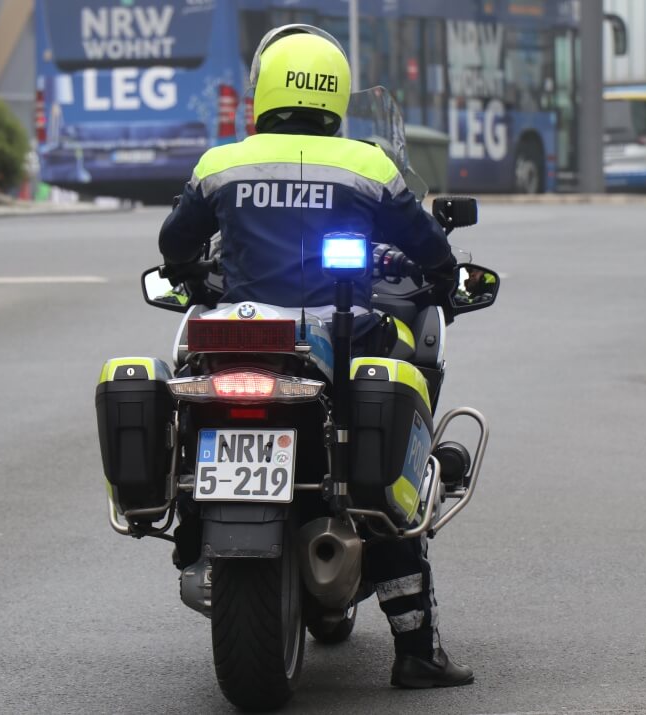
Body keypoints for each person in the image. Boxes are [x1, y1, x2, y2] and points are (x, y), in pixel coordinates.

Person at [158, 24, 473, 689]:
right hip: (341, 335)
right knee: (386, 423)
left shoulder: (221, 164)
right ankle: (416, 648)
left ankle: (189, 510)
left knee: (186, 377)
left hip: (241, 335)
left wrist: (193, 275)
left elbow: (176, 244)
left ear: (264, 89)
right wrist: (445, 280)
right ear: (336, 92)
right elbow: (429, 249)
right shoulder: (367, 165)